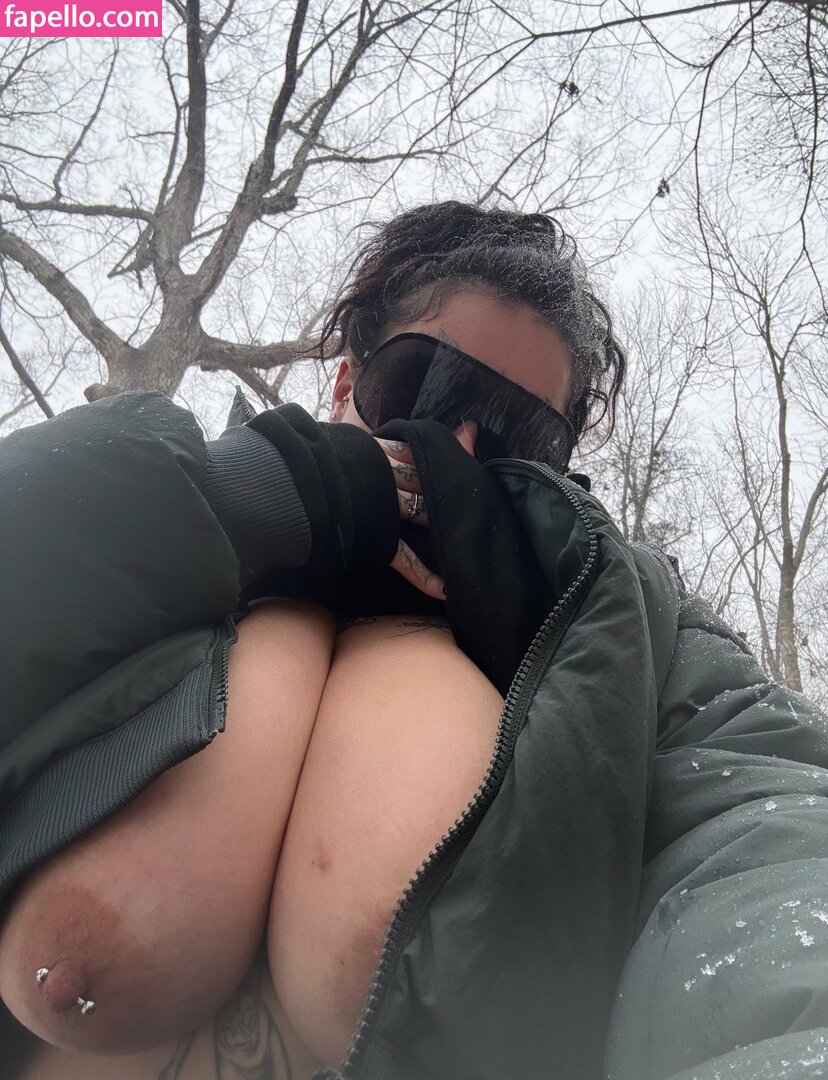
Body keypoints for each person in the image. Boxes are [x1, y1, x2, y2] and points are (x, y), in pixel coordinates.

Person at [0, 202, 826, 1080]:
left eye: (517, 434)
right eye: (423, 386)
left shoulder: (626, 616)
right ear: (346, 384)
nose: (458, 444)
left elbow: (762, 819)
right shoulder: (165, 516)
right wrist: (249, 496)